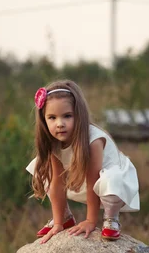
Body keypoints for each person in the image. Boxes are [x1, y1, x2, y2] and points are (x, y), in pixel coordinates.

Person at [26, 80, 139, 244]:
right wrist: (57, 224)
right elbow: (57, 181)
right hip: (82, 179)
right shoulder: (53, 142)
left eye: (67, 116)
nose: (60, 124)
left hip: (112, 185)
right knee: (42, 167)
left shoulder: (93, 140)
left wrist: (90, 221)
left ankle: (111, 219)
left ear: (78, 115)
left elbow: (93, 180)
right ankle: (64, 217)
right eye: (52, 117)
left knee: (110, 179)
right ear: (44, 120)